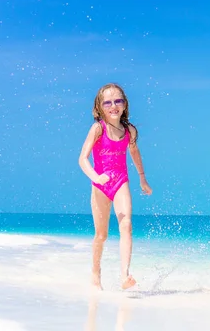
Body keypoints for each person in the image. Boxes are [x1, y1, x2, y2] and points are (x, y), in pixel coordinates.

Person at [78, 83, 152, 291]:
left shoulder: (129, 130)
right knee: (101, 235)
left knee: (126, 224)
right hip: (100, 185)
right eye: (108, 102)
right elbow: (82, 159)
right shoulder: (98, 128)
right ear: (100, 107)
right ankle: (95, 271)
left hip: (120, 181)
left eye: (118, 101)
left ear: (125, 104)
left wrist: (142, 178)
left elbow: (134, 153)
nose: (113, 106)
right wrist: (95, 176)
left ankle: (124, 275)